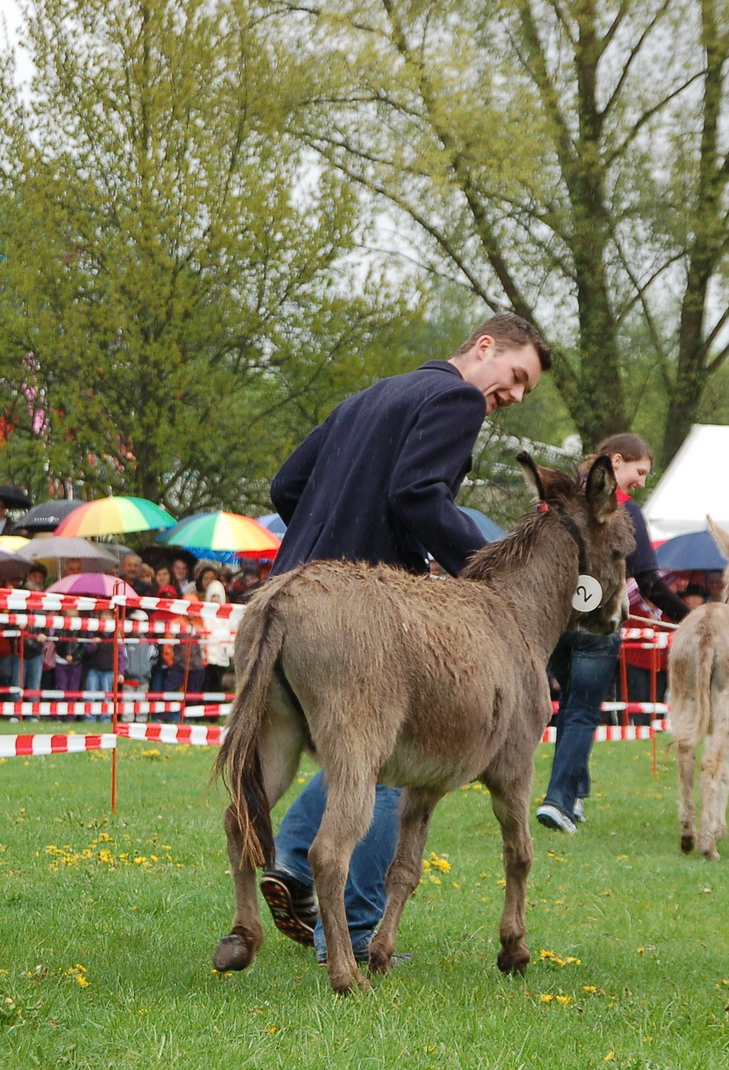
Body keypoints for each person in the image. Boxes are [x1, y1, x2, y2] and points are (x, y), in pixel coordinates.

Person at [256, 313, 549, 965]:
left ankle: (291, 850)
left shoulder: (367, 395)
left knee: (339, 749)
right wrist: (486, 571)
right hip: (366, 612)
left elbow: (285, 487)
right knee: (390, 757)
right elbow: (418, 495)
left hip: (289, 596)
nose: (515, 395)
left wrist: (323, 544)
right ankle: (354, 931)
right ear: (483, 347)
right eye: (517, 375)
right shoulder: (454, 399)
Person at [535, 434, 694, 834]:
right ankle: (559, 801)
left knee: (571, 707)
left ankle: (576, 793)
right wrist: (687, 617)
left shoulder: (556, 500)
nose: (640, 481)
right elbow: (651, 583)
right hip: (598, 622)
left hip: (555, 620)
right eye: (639, 472)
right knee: (583, 711)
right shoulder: (624, 510)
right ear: (617, 461)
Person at [197, 564, 233, 693]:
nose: (215, 600)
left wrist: (229, 649)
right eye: (213, 597)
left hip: (221, 657)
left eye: (218, 597)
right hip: (207, 658)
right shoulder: (204, 615)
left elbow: (232, 634)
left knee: (216, 685)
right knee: (205, 685)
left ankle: (213, 711)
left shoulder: (227, 617)